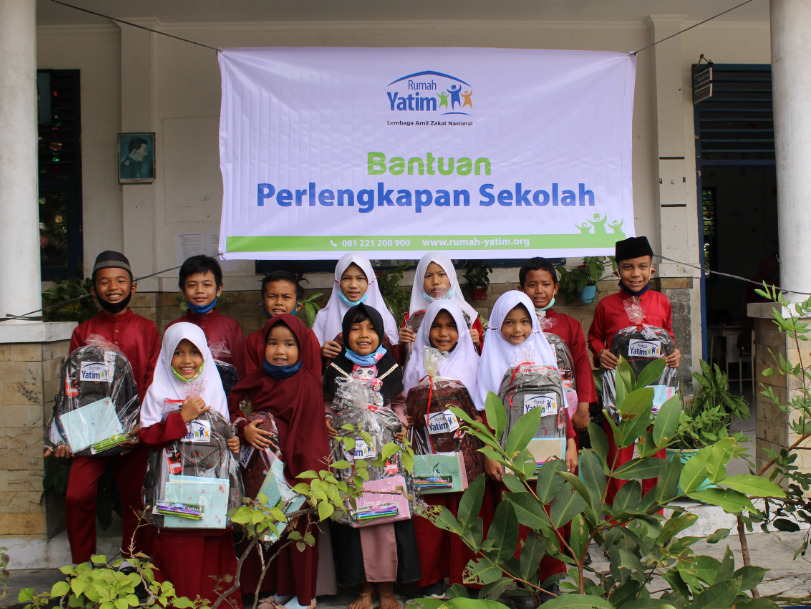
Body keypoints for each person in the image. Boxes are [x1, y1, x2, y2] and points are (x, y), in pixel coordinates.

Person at [48, 250, 159, 566]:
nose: (113, 287)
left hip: (135, 431)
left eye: (120, 280)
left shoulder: (147, 329)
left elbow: (153, 379)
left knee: (136, 499)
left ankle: (131, 563)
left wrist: (142, 425)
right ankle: (83, 569)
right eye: (104, 282)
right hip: (92, 430)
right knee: (77, 495)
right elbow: (72, 387)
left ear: (133, 287)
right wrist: (66, 435)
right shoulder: (82, 332)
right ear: (93, 289)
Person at [474, 291, 578, 599]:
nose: (517, 329)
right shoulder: (489, 361)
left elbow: (560, 405)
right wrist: (490, 454)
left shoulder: (544, 354)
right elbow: (485, 412)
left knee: (546, 513)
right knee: (514, 516)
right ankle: (519, 584)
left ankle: (550, 578)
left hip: (547, 453)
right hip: (509, 456)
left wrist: (571, 442)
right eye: (509, 322)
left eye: (524, 321)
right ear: (496, 325)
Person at [229, 315, 330, 609]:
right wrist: (244, 429)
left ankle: (305, 597)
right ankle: (282, 591)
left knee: (299, 534)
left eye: (289, 344)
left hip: (297, 473)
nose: (280, 351)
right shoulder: (258, 379)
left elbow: (312, 436)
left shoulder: (307, 384)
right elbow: (235, 410)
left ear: (302, 348)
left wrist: (303, 485)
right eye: (272, 343)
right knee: (268, 532)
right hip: (262, 475)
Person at [323, 304, 420, 609]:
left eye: (370, 329)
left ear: (380, 333)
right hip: (349, 455)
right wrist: (327, 420)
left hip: (385, 455)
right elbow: (327, 404)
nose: (363, 335)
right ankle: (364, 589)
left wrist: (400, 424)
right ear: (345, 334)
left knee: (386, 514)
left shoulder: (390, 366)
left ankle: (387, 589)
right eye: (355, 328)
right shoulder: (336, 368)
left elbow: (399, 402)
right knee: (355, 513)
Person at [139, 323, 241, 606]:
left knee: (212, 558)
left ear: (205, 355)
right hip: (172, 496)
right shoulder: (158, 390)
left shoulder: (213, 386)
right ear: (166, 355)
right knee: (177, 558)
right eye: (178, 352)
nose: (187, 360)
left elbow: (224, 431)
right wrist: (181, 418)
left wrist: (232, 442)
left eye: (194, 352)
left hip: (211, 494)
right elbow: (146, 436)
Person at [403, 300, 491, 598]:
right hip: (429, 457)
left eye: (451, 326)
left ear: (462, 330)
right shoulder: (416, 363)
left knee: (467, 513)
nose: (443, 333)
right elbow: (406, 406)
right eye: (436, 326)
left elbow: (483, 406)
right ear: (425, 330)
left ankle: (468, 577)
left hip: (467, 457)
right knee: (430, 515)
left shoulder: (474, 362)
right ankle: (430, 577)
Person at [587, 236, 681, 503]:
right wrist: (600, 352)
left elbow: (669, 337)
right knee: (619, 453)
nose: (635, 273)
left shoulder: (662, 302)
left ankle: (653, 512)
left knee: (655, 450)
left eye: (642, 266)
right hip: (620, 391)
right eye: (628, 267)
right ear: (617, 271)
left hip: (657, 390)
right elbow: (594, 337)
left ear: (652, 269)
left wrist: (675, 353)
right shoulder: (607, 306)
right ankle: (616, 517)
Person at [518, 257, 596, 432]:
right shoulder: (513, 327)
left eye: (546, 284)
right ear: (520, 289)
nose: (539, 291)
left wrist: (583, 406)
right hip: (522, 403)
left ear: (556, 288)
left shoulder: (570, 325)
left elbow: (582, 366)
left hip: (565, 404)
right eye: (532, 285)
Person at [168, 255, 246, 379]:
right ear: (182, 291)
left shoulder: (231, 327)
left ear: (219, 289)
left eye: (207, 285)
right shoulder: (174, 328)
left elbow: (240, 371)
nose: (200, 290)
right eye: (192, 285)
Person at [313, 254, 399, 361]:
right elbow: (311, 356)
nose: (353, 285)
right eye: (346, 278)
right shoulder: (324, 317)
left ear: (370, 281)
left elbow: (393, 357)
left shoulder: (385, 317)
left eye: (360, 278)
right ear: (338, 281)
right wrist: (321, 352)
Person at [398, 253, 484, 355]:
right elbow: (406, 356)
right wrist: (403, 342)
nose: (435, 281)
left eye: (441, 274)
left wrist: (477, 343)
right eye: (428, 276)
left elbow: (481, 354)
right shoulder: (414, 317)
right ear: (420, 279)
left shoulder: (467, 314)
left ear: (451, 277)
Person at [243, 271, 320, 378]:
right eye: (272, 296)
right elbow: (250, 380)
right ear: (262, 305)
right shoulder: (253, 340)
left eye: (286, 297)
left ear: (298, 306)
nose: (279, 302)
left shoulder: (307, 336)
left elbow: (314, 376)